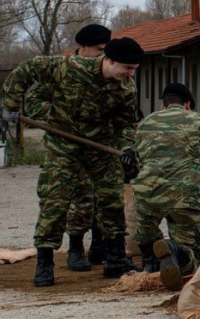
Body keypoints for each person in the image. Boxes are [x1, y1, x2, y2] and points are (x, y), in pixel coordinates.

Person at [0, 37, 144, 287]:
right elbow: (26, 70)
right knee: (55, 202)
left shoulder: (126, 89)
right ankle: (45, 264)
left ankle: (115, 260)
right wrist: (11, 105)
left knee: (111, 201)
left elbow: (124, 125)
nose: (130, 74)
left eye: (134, 69)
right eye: (127, 68)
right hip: (63, 147)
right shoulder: (69, 68)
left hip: (101, 149)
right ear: (109, 60)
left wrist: (127, 147)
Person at [132, 83, 200, 290]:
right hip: (184, 195)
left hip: (148, 194)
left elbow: (138, 162)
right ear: (188, 104)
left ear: (163, 106)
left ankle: (151, 264)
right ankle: (178, 252)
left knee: (147, 236)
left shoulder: (145, 123)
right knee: (192, 252)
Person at [64, 24, 112, 271]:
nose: (102, 55)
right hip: (72, 147)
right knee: (81, 198)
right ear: (82, 47)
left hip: (102, 145)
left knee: (105, 198)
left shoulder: (105, 72)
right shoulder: (63, 70)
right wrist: (60, 121)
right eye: (98, 50)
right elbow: (35, 101)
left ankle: (99, 245)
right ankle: (74, 248)